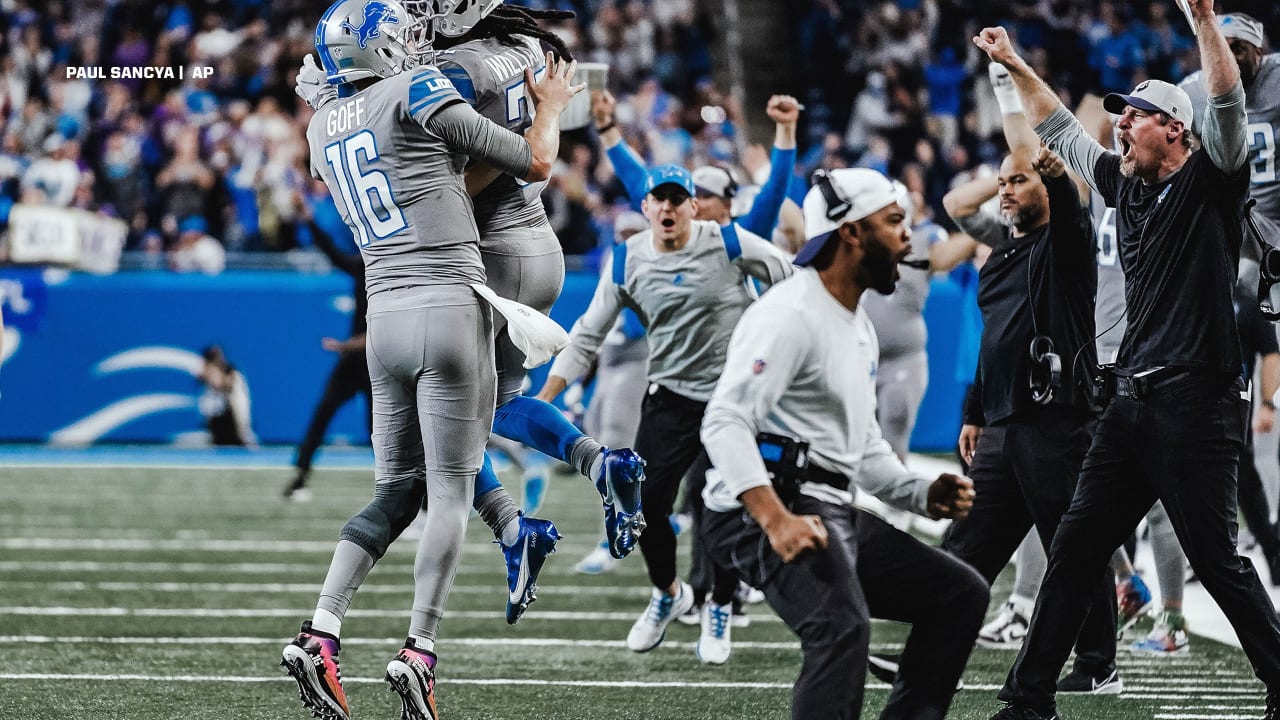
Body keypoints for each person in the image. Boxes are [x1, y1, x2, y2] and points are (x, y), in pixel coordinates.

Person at [974, 1, 1280, 715]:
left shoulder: (1212, 181)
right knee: (1076, 551)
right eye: (1121, 114)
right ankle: (1027, 701)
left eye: (1136, 114)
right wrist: (1016, 66)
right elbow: (1058, 129)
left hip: (1196, 405)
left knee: (1219, 565)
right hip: (1128, 404)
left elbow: (1229, 104)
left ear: (1177, 128)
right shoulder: (1124, 186)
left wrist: (1203, 19)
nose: (1121, 123)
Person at [279, 3, 580, 719]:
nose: (418, 40)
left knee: (395, 492)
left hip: (382, 318)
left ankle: (321, 630)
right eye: (404, 35)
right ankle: (420, 650)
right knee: (446, 493)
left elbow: (350, 107)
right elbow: (535, 161)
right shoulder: (416, 90)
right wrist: (552, 106)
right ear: (382, 47)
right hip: (448, 303)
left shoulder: (321, 127)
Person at [699, 167, 988, 720]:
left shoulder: (858, 326)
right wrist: (776, 519)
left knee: (960, 595)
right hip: (760, 506)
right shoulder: (791, 313)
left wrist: (920, 494)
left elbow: (864, 447)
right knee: (840, 628)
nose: (908, 236)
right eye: (895, 221)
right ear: (851, 231)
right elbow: (724, 422)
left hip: (827, 504)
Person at [535, 164, 794, 665]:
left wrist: (774, 345)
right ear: (647, 207)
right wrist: (547, 394)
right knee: (644, 506)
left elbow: (790, 280)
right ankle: (668, 591)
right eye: (661, 198)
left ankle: (719, 603)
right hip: (670, 397)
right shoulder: (628, 258)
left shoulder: (730, 242)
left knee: (719, 503)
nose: (670, 207)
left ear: (694, 206)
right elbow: (587, 334)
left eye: (679, 198)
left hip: (731, 400)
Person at [590, 87, 801, 621]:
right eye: (693, 194)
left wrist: (784, 136)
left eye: (705, 195)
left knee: (720, 496)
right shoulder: (672, 219)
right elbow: (642, 181)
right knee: (674, 496)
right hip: (679, 388)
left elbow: (775, 191)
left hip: (734, 388)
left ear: (725, 203)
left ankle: (720, 595)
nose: (695, 202)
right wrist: (609, 130)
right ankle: (692, 591)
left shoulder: (738, 235)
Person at [1181, 12, 1280, 586]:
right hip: (1233, 242)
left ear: (1259, 50)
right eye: (1225, 44)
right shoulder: (1196, 89)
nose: (1234, 55)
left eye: (1242, 46)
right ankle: (1227, 528)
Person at [284, 203, 372, 502]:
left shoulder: (394, 275)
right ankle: (300, 475)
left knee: (382, 431)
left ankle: (409, 495)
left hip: (378, 360)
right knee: (323, 412)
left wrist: (348, 345)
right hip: (356, 360)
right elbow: (333, 254)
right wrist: (309, 221)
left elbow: (388, 330)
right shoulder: (365, 267)